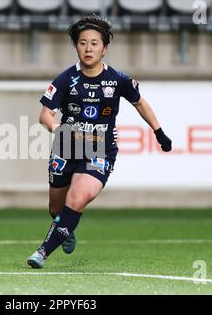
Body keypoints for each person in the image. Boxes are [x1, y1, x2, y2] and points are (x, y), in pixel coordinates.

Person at [27, 14, 172, 269]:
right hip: (66, 148)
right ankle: (65, 228)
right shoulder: (65, 79)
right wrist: (61, 130)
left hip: (99, 148)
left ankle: (41, 253)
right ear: (76, 47)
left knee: (78, 198)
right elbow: (44, 116)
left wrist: (159, 132)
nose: (88, 48)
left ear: (104, 49)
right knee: (56, 209)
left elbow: (140, 102)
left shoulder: (118, 79)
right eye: (83, 43)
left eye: (94, 43)